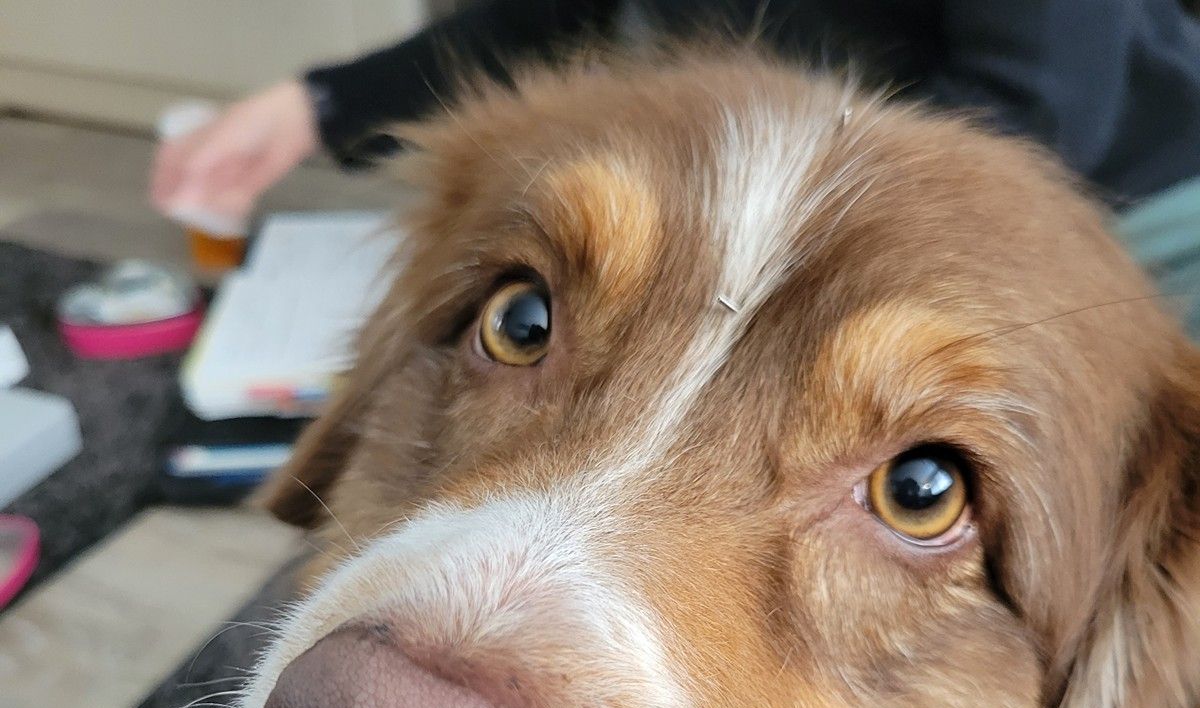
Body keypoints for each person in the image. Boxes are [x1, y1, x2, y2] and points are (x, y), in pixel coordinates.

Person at [151, 0, 1200, 330]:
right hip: (827, 189)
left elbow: (1029, 121)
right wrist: (313, 104)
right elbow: (544, 16)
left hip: (1147, 198)